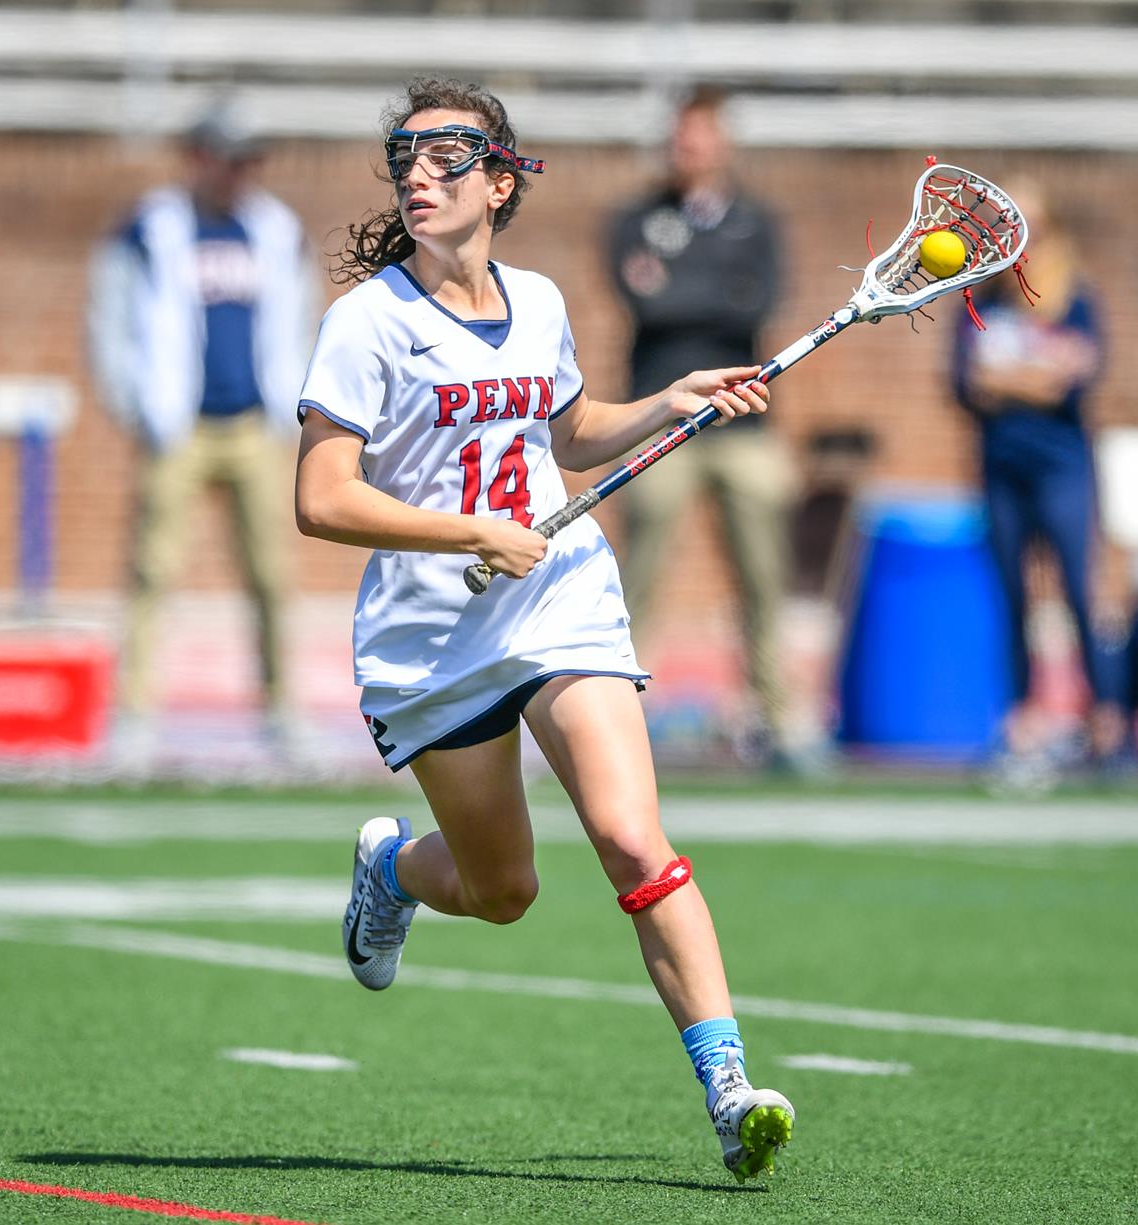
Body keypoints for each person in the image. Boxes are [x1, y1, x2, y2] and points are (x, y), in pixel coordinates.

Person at [292, 77, 795, 1181]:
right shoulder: (366, 321)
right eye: (403, 157)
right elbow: (322, 499)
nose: (419, 174)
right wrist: (461, 530)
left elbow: (568, 435)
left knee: (629, 838)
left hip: (559, 595)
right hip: (434, 636)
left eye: (446, 155)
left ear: (502, 176)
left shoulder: (543, 299)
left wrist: (670, 399)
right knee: (503, 891)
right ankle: (390, 873)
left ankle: (727, 1089)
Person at [87, 102, 318, 753]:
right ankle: (134, 712)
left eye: (252, 160)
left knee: (271, 572)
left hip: (253, 423)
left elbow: (299, 319)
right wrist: (135, 402)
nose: (244, 173)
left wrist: (291, 402)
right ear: (198, 158)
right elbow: (109, 318)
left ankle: (281, 709)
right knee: (152, 570)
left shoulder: (276, 229)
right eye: (232, 158)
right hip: (178, 425)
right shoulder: (150, 227)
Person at [605, 88, 799, 768]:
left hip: (744, 424)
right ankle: (621, 712)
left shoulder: (757, 222)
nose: (688, 150)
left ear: (723, 144)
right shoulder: (637, 219)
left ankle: (776, 718)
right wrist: (708, 293)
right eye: (680, 138)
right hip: (663, 418)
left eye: (700, 138)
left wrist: (681, 287)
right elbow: (643, 302)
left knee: (764, 575)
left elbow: (757, 303)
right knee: (640, 575)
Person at [950, 181, 1125, 771]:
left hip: (1063, 468)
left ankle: (1104, 720)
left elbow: (1072, 377)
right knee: (1013, 599)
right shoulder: (979, 299)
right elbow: (966, 383)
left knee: (1080, 592)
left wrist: (1010, 377)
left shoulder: (1076, 297)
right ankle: (1023, 720)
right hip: (1002, 467)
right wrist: (1032, 374)